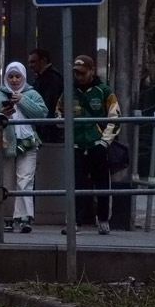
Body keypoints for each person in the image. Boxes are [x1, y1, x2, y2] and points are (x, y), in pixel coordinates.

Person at [57, 54, 120, 234]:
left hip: (98, 145)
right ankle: (74, 221)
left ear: (92, 71)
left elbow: (115, 118)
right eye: (76, 73)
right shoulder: (68, 92)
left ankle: (103, 220)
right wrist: (63, 124)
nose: (79, 76)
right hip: (77, 146)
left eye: (83, 73)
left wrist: (104, 142)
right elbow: (58, 112)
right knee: (76, 184)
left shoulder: (105, 91)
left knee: (102, 184)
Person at [0, 62, 46, 234]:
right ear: (6, 77)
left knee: (25, 180)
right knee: (5, 182)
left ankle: (24, 217)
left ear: (23, 77)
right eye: (11, 76)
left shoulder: (32, 94)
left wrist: (22, 100)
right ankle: (7, 217)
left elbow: (42, 114)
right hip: (5, 144)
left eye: (17, 76)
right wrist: (0, 113)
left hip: (28, 143)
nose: (14, 80)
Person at [26, 48, 64, 144]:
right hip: (47, 128)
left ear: (43, 60)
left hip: (50, 130)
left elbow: (50, 104)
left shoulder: (51, 78)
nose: (30, 65)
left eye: (33, 62)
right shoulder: (46, 77)